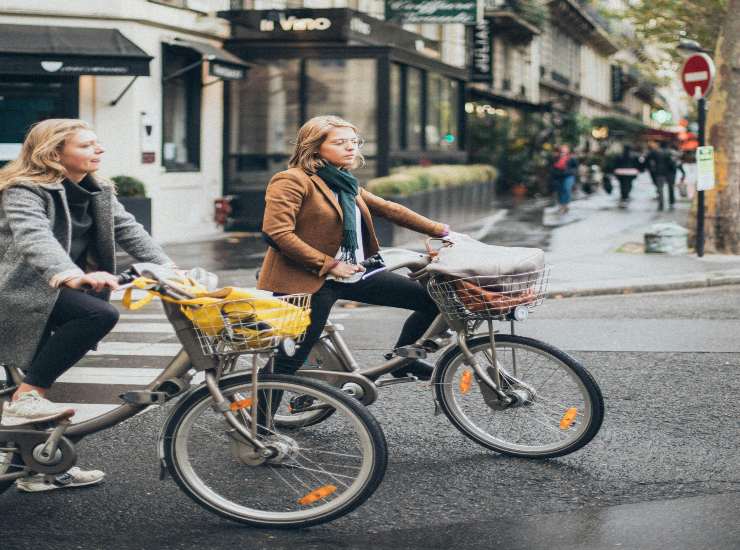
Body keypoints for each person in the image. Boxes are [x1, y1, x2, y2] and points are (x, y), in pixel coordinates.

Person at [0, 119, 175, 491]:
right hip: (21, 290)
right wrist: (68, 273)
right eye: (86, 145)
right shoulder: (23, 191)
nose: (99, 150)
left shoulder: (98, 191)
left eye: (97, 143)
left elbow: (131, 231)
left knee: (47, 377)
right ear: (54, 153)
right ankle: (25, 398)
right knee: (97, 314)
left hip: (54, 292)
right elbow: (34, 237)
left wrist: (170, 270)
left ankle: (37, 467)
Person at [258, 115, 449, 381]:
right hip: (310, 280)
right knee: (289, 361)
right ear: (314, 147)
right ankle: (259, 421)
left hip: (355, 273)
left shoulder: (345, 183)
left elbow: (390, 209)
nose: (351, 148)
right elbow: (276, 233)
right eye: (340, 143)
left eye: (354, 142)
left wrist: (444, 231)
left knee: (435, 300)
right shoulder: (291, 180)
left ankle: (402, 361)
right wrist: (332, 265)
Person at [550, 145, 578, 215]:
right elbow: (552, 167)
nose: (563, 152)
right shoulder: (556, 158)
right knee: (560, 191)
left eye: (565, 150)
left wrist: (570, 172)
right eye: (562, 150)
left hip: (569, 176)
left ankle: (564, 205)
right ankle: (562, 205)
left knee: (567, 189)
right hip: (559, 177)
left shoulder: (571, 158)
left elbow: (575, 167)